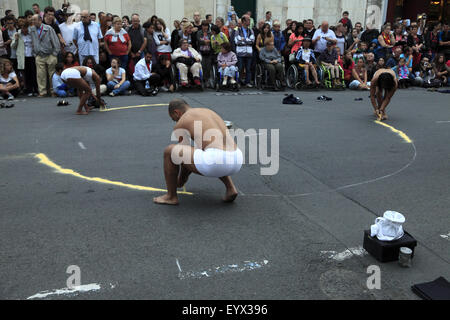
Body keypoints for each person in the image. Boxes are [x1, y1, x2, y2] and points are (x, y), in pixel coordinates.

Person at [153, 99, 243, 205]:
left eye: (174, 119)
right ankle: (231, 188)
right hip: (237, 157)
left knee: (170, 151)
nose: (176, 122)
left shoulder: (182, 122)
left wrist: (181, 180)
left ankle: (171, 196)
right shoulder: (208, 112)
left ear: (177, 112)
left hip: (216, 161)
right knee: (209, 151)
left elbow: (182, 157)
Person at [30, 14, 60, 97]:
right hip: (39, 55)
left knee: (52, 74)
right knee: (40, 75)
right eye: (32, 20)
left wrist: (54, 54)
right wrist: (35, 54)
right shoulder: (32, 29)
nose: (32, 21)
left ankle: (53, 91)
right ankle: (42, 92)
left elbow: (56, 41)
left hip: (50, 54)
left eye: (34, 20)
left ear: (40, 20)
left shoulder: (48, 28)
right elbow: (32, 42)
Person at [11, 21, 38, 96]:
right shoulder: (17, 34)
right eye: (22, 28)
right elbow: (12, 46)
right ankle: (29, 90)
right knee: (26, 74)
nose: (24, 30)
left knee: (34, 73)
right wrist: (16, 39)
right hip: (23, 57)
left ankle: (36, 89)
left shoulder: (32, 33)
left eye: (25, 28)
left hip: (32, 56)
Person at [234, 15, 255, 88]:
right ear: (243, 21)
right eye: (248, 20)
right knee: (240, 68)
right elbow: (237, 41)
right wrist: (246, 40)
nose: (249, 21)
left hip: (249, 53)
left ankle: (247, 82)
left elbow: (252, 41)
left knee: (248, 68)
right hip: (240, 53)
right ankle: (238, 82)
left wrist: (243, 40)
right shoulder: (238, 31)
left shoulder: (251, 30)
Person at [196, 20, 212, 87]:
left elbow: (211, 41)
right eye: (204, 26)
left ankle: (207, 80)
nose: (205, 27)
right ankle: (202, 80)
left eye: (206, 26)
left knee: (208, 67)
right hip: (201, 52)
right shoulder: (199, 32)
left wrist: (206, 41)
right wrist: (206, 41)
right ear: (202, 26)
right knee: (202, 66)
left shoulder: (210, 33)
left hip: (208, 52)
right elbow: (199, 41)